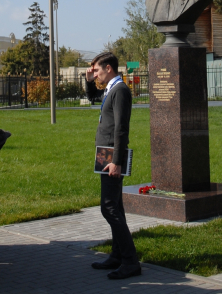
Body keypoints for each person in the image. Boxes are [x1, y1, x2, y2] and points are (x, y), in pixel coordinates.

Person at [84, 52, 141, 280]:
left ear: (109, 68)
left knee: (108, 208)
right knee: (116, 207)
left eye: (97, 70)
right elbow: (93, 97)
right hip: (105, 153)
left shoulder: (120, 90)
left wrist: (116, 161)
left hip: (111, 155)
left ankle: (130, 261)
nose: (95, 74)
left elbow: (121, 128)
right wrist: (89, 81)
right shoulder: (111, 89)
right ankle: (117, 256)